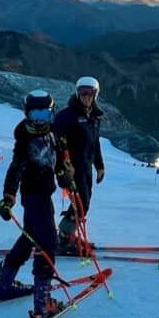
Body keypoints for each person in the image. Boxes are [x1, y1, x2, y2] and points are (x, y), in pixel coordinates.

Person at [0, 90, 71, 318]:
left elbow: (57, 160)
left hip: (44, 194)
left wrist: (63, 174)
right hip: (34, 197)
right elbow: (15, 169)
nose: (39, 121)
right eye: (35, 115)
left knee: (29, 237)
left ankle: (5, 285)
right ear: (26, 114)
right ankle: (42, 303)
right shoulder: (25, 140)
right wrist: (8, 197)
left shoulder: (52, 133)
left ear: (51, 114)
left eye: (44, 115)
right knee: (47, 242)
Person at [52, 76, 105, 252]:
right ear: (77, 93)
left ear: (95, 94)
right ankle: (64, 237)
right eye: (83, 92)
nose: (86, 96)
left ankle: (66, 235)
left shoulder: (94, 116)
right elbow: (55, 143)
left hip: (86, 167)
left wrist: (99, 165)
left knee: (83, 203)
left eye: (90, 93)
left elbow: (95, 143)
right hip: (71, 168)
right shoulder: (66, 116)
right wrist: (62, 169)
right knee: (81, 203)